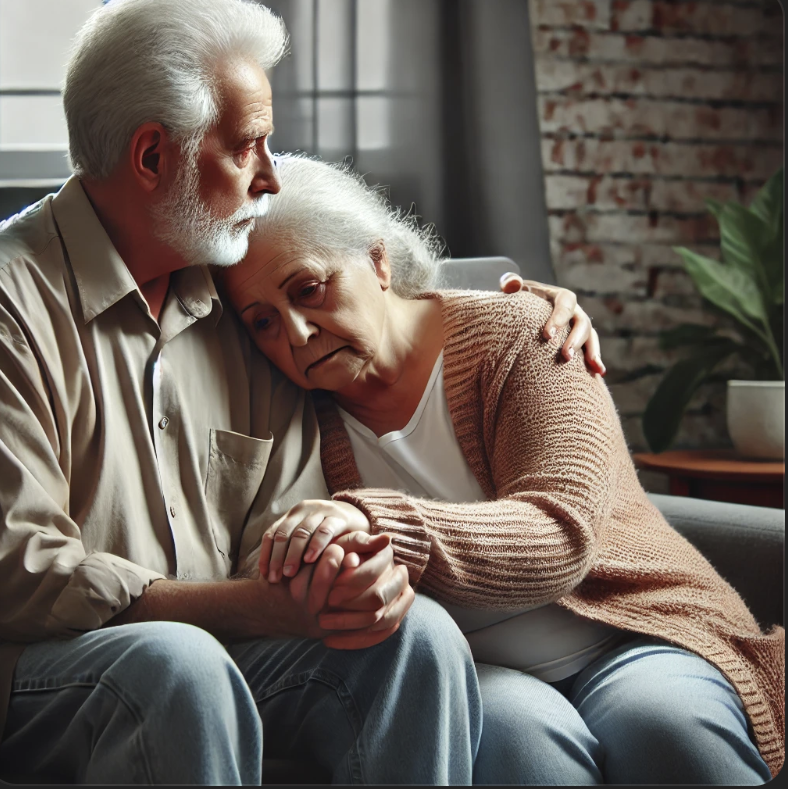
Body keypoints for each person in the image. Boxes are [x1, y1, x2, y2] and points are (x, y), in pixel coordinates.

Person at [0, 0, 603, 783]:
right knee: (179, 663)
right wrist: (256, 606)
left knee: (415, 635)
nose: (270, 175)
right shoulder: (15, 303)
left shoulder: (240, 300)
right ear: (153, 157)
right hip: (45, 670)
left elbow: (370, 279)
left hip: (230, 655)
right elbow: (21, 568)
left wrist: (522, 306)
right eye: (248, 143)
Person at [222, 154, 784, 784]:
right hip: (482, 671)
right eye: (263, 321)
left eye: (308, 289)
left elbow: (561, 533)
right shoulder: (294, 415)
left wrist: (369, 515)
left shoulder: (523, 334)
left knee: (667, 727)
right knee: (525, 754)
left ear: (377, 262)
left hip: (631, 633)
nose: (295, 333)